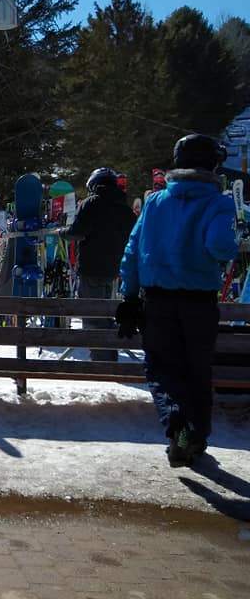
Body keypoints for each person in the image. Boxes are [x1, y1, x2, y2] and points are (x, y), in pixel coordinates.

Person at [118, 135, 237, 468]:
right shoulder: (219, 202)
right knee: (197, 371)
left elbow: (131, 250)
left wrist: (129, 296)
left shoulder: (154, 202)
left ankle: (178, 427)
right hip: (199, 302)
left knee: (161, 368)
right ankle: (196, 438)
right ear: (211, 164)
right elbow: (221, 247)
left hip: (157, 301)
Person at [58, 167, 138, 361]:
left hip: (91, 267)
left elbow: (77, 231)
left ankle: (101, 358)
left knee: (92, 313)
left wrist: (63, 232)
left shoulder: (92, 203)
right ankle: (108, 353)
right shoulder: (124, 208)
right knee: (107, 311)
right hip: (114, 268)